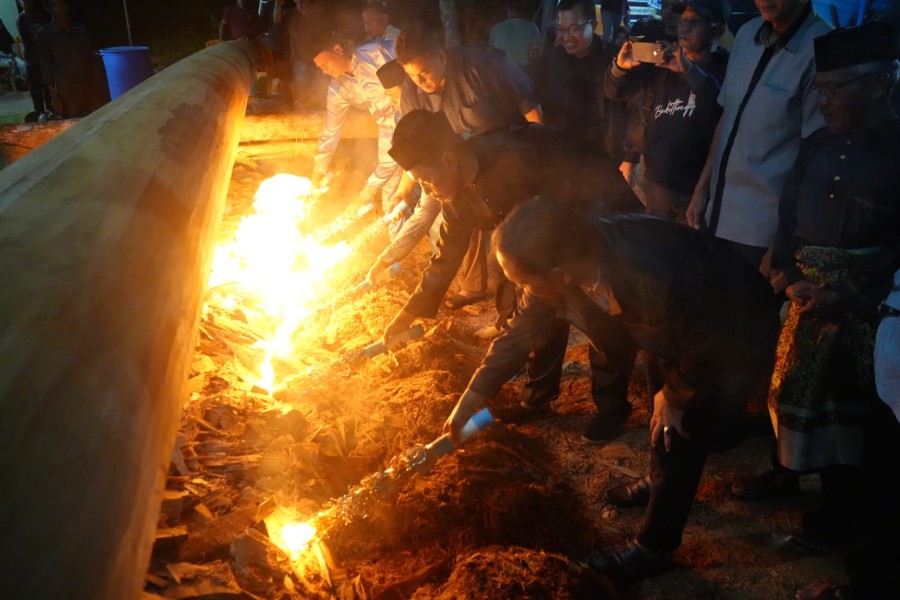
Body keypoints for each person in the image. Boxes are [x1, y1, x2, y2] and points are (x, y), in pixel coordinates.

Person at [444, 198, 780, 579]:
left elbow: (704, 337)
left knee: (680, 428)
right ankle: (661, 479)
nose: (520, 288)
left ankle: (655, 548)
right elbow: (517, 335)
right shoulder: (575, 259)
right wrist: (470, 399)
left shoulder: (649, 269)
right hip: (669, 331)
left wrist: (676, 394)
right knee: (664, 415)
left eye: (521, 280)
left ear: (559, 274)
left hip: (729, 328)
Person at [736, 22, 900, 556]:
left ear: (878, 85)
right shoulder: (815, 145)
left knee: (859, 423)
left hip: (869, 315)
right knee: (808, 408)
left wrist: (850, 296)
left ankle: (850, 527)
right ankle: (816, 500)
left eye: (834, 90)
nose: (822, 100)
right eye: (820, 88)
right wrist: (789, 272)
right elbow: (788, 218)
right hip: (807, 300)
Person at [382, 111, 641, 438]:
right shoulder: (456, 195)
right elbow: (446, 255)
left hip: (596, 218)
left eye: (424, 180)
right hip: (541, 239)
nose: (426, 191)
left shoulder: (519, 155)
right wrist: (408, 313)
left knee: (593, 313)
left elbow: (584, 195)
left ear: (448, 160)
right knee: (534, 312)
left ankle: (612, 407)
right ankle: (538, 399)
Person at [392, 22, 542, 311]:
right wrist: (402, 191)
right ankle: (483, 298)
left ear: (442, 57)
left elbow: (530, 108)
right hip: (458, 172)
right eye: (413, 76)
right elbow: (414, 149)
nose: (421, 83)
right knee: (458, 231)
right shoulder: (413, 90)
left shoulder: (484, 65)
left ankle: (524, 314)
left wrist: (540, 161)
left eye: (424, 73)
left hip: (510, 164)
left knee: (510, 248)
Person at [685, 0, 831, 271]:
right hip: (715, 213)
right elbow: (727, 119)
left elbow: (816, 156)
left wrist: (783, 242)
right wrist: (701, 189)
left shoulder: (821, 47)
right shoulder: (746, 35)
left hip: (761, 230)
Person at [604, 0, 728, 223]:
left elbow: (721, 111)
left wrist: (690, 72)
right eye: (683, 19)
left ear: (716, 29)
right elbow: (614, 92)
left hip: (695, 193)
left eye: (695, 22)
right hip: (656, 187)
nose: (684, 27)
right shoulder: (662, 63)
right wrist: (620, 68)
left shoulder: (725, 67)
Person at [307, 33, 402, 226]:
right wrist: (318, 173)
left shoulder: (378, 51)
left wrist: (366, 194)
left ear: (338, 49)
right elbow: (331, 132)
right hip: (390, 127)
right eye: (319, 67)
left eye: (325, 62)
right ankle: (395, 250)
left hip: (422, 116)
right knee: (391, 191)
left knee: (432, 192)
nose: (324, 70)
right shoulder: (338, 88)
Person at [530, 0, 628, 162]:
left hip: (602, 154)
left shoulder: (615, 60)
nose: (567, 37)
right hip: (560, 152)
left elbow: (633, 109)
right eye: (561, 29)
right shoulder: (552, 59)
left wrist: (629, 158)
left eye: (574, 29)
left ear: (594, 24)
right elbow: (526, 86)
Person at [37, 0, 106, 119]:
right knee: (73, 122)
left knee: (97, 119)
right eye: (55, 5)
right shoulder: (45, 34)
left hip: (88, 84)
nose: (60, 9)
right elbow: (46, 67)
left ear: (68, 5)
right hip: (67, 90)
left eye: (62, 4)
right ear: (48, 8)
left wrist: (99, 83)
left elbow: (91, 57)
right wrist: (54, 96)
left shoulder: (79, 29)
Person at [16, 0, 52, 122]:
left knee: (49, 87)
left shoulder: (45, 16)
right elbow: (28, 42)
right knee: (36, 90)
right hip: (32, 61)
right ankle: (40, 113)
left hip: (46, 59)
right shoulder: (21, 20)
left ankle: (51, 111)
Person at [488, 0, 543, 68]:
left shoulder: (496, 28)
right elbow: (535, 57)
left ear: (507, 8)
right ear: (523, 9)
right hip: (523, 73)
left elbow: (490, 55)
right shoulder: (532, 28)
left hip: (501, 72)